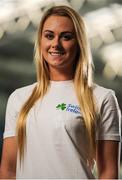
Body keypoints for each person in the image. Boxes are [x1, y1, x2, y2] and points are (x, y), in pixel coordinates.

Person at [0, 5, 121, 179]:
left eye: (66, 37)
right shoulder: (19, 98)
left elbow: (108, 173)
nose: (55, 44)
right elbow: (8, 171)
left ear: (79, 43)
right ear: (41, 41)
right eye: (49, 36)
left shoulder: (102, 97)